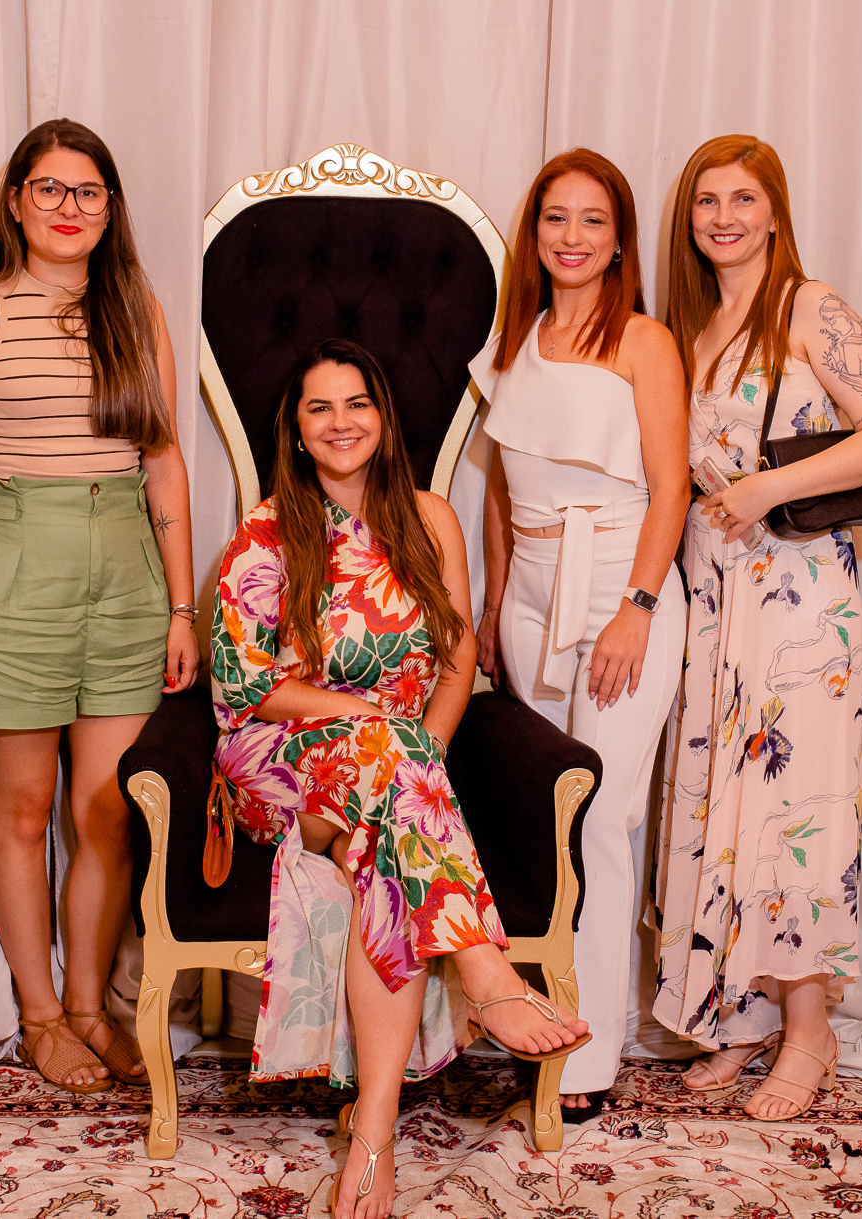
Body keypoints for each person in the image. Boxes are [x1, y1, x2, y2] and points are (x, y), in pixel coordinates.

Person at [213, 339, 589, 1219]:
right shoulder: (267, 528)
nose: (340, 422)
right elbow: (245, 682)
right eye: (319, 408)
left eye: (357, 403)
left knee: (381, 850)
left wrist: (419, 752)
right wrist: (370, 722)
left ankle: (373, 1132)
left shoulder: (431, 519)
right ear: (296, 431)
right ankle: (485, 969)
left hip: (390, 776)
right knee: (385, 759)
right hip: (278, 758)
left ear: (383, 418)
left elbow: (455, 661)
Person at [0, 119, 199, 1093]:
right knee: (23, 808)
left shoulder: (137, 311)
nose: (68, 207)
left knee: (107, 811)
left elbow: (163, 461)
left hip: (124, 578)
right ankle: (38, 1017)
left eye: (87, 191)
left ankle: (89, 1007)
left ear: (110, 209)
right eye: (49, 188)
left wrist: (181, 609)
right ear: (16, 201)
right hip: (8, 577)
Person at [654, 135, 862, 1121]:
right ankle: (742, 1012)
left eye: (742, 199)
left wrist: (769, 487)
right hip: (715, 593)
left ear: (774, 212)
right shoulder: (692, 326)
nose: (723, 217)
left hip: (798, 589)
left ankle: (812, 1030)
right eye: (706, 201)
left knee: (792, 802)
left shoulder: (811, 307)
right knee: (724, 803)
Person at [469, 149, 690, 1122]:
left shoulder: (644, 341)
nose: (571, 236)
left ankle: (590, 1060)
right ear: (535, 233)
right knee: (545, 812)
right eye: (555, 217)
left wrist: (635, 608)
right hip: (528, 597)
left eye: (592, 220)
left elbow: (672, 487)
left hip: (617, 590)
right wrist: (491, 606)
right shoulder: (515, 338)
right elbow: (498, 489)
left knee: (600, 813)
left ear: (618, 240)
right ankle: (541, 1019)